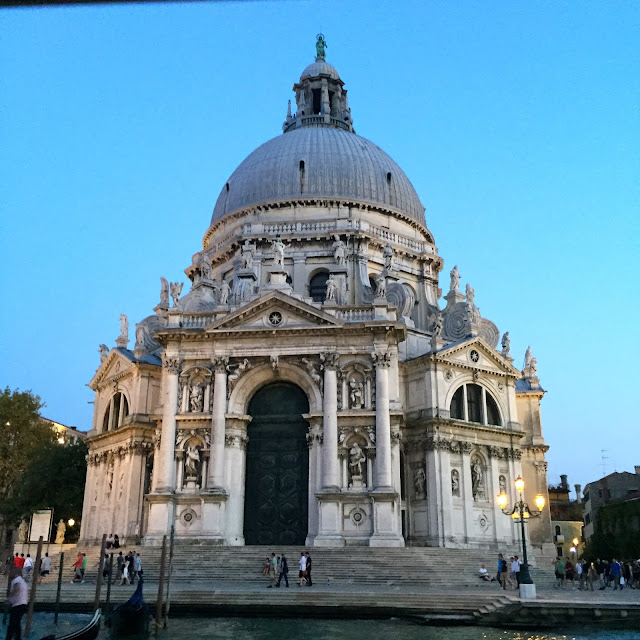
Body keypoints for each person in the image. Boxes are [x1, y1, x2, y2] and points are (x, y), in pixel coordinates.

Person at [6, 569, 28, 640]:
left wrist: (9, 598)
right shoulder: (22, 581)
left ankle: (9, 638)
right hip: (23, 604)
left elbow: (16, 588)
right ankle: (18, 638)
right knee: (16, 624)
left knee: (12, 624)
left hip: (18, 605)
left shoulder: (17, 580)